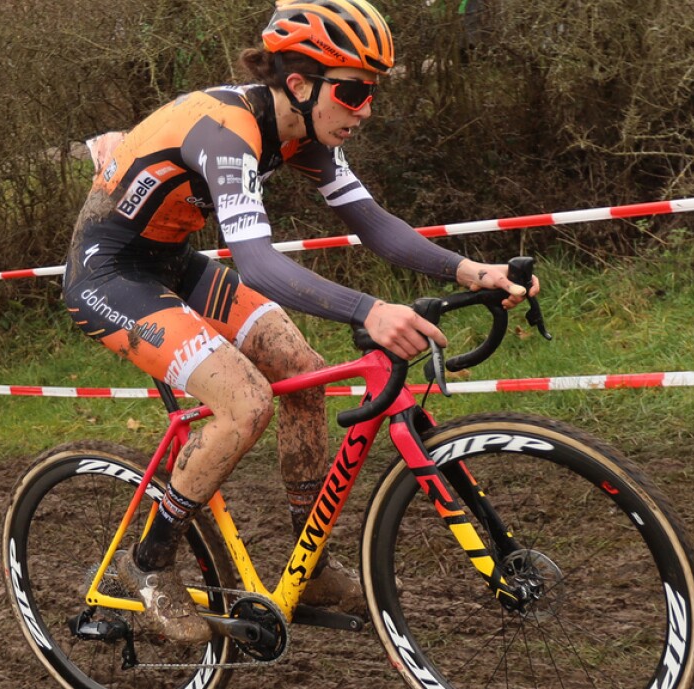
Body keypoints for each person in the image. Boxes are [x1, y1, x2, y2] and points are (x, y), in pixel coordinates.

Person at [62, 0, 538, 644]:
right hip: (109, 273)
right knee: (246, 402)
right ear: (299, 83)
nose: (364, 108)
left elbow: (374, 226)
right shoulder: (228, 130)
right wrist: (368, 309)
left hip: (172, 261)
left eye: (371, 92)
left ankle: (306, 568)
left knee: (306, 373)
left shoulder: (307, 133)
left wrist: (472, 271)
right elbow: (255, 262)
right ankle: (144, 566)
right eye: (352, 91)